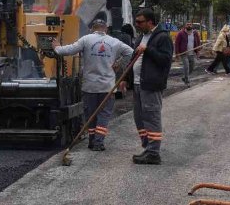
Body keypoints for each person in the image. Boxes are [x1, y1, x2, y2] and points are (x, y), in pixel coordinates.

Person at [53, 19, 134, 151]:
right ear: (106, 29)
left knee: (90, 114)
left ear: (92, 28)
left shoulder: (86, 39)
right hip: (107, 87)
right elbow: (130, 52)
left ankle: (92, 141)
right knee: (104, 115)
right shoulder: (114, 42)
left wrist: (56, 47)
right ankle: (98, 142)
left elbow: (68, 50)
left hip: (89, 86)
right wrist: (119, 64)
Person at [122, 8, 173, 165]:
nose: (136, 25)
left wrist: (148, 50)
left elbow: (165, 60)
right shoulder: (141, 38)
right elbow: (133, 60)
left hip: (151, 84)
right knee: (139, 117)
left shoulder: (162, 38)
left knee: (151, 117)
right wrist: (126, 78)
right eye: (136, 22)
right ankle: (147, 146)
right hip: (138, 83)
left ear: (150, 22)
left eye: (140, 22)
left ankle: (153, 153)